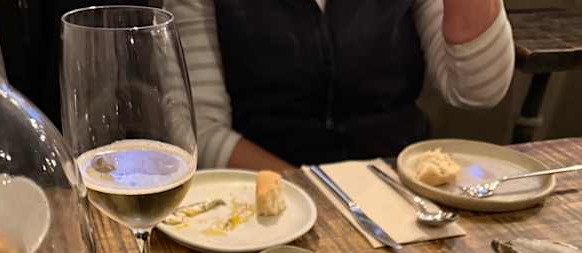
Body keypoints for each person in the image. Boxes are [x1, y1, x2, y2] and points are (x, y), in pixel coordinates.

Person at [165, 0, 515, 170]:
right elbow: (198, 131)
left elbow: (476, 90)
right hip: (267, 205)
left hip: (402, 189)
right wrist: (319, 197)